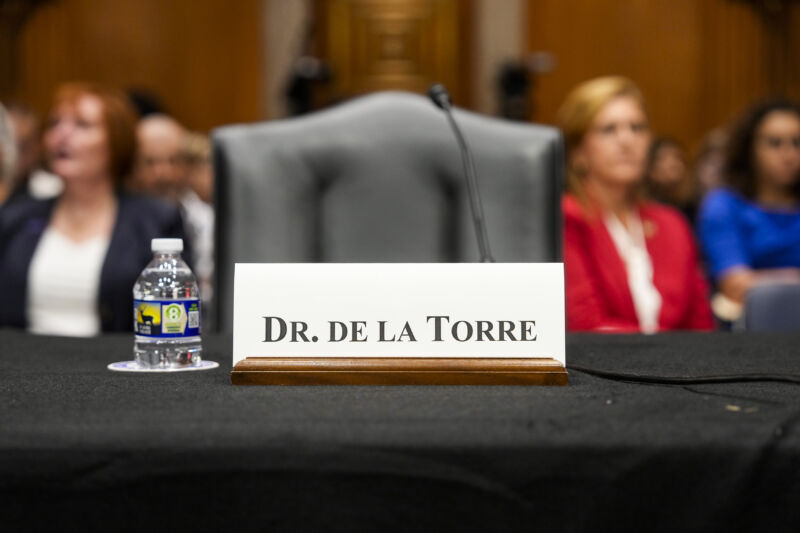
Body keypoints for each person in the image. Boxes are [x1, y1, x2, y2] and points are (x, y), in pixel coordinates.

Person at [0, 82, 188, 335]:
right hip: (24, 367)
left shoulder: (156, 221)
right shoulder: (15, 217)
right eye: (54, 124)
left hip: (117, 367)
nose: (62, 135)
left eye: (82, 125)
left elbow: (174, 318)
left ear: (116, 141)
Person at [558, 76, 713, 332]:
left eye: (637, 128)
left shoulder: (672, 223)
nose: (627, 140)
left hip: (684, 369)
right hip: (598, 370)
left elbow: (701, 325)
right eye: (609, 129)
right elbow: (587, 327)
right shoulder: (566, 218)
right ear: (578, 152)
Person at [696, 98, 800, 318]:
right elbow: (735, 286)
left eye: (797, 143)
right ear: (750, 148)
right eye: (774, 143)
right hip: (748, 333)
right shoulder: (724, 204)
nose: (788, 154)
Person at [132, 116, 214, 327]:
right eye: (150, 162)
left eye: (173, 161)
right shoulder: (116, 220)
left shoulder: (208, 221)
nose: (164, 174)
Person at [644, 137, 697, 222]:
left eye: (677, 157)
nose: (672, 164)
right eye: (662, 159)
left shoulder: (693, 205)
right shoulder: (643, 209)